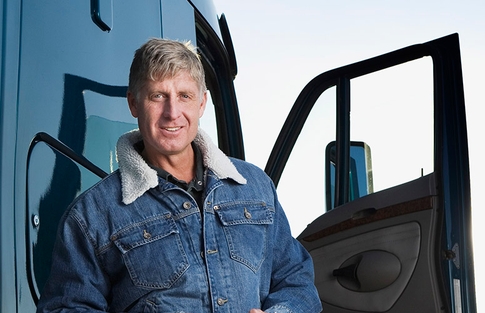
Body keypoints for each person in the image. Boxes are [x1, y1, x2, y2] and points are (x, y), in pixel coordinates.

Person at [37, 38, 322, 313]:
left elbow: (296, 280)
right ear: (134, 103)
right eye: (157, 96)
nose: (172, 113)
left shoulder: (256, 187)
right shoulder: (91, 216)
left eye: (184, 96)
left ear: (201, 104)